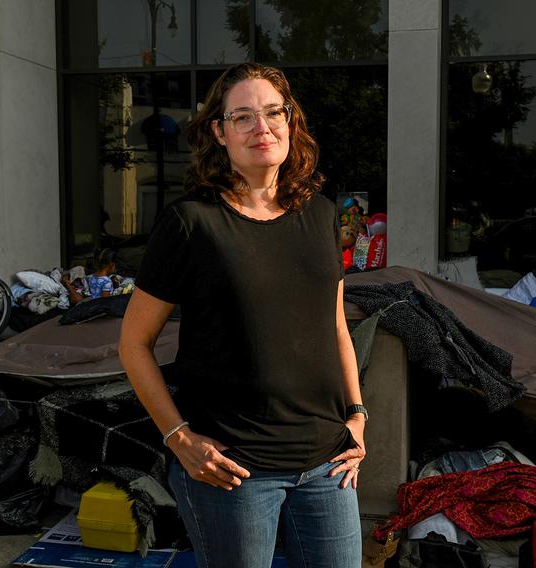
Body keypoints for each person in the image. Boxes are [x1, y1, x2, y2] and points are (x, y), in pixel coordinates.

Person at [118, 62, 367, 568]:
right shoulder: (191, 223)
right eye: (244, 117)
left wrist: (358, 416)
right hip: (233, 471)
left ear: (291, 121)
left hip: (327, 463)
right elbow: (133, 344)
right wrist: (179, 438)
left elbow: (335, 326)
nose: (263, 127)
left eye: (274, 112)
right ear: (219, 131)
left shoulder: (321, 215)